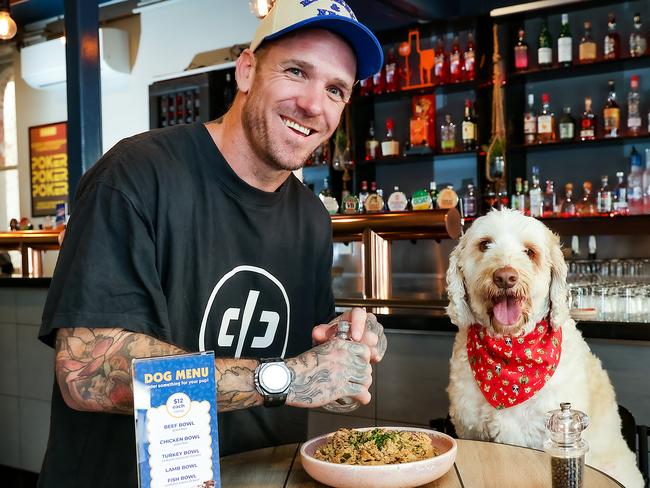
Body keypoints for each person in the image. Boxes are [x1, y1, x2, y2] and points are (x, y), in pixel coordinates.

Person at [37, 1, 387, 487]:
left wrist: (345, 350)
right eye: (295, 71)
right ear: (246, 71)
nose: (313, 104)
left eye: (335, 89)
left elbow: (303, 354)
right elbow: (85, 374)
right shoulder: (137, 175)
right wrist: (283, 379)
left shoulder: (310, 216)